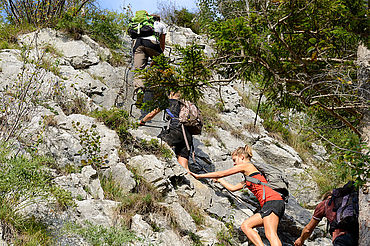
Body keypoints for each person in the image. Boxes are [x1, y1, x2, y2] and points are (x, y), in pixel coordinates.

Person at [190, 145, 285, 246]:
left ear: (242, 157)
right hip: (272, 203)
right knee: (246, 226)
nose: (234, 163)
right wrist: (220, 181)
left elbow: (222, 173)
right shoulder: (250, 175)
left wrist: (199, 175)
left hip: (272, 202)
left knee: (270, 234)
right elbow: (233, 188)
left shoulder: (247, 166)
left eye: (235, 160)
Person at [138, 92, 193, 171]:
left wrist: (142, 121)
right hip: (187, 134)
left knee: (155, 145)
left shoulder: (167, 102)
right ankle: (191, 181)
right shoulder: (185, 104)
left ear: (171, 93)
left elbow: (151, 114)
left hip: (175, 130)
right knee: (184, 166)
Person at [132, 13, 167, 116]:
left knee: (139, 70)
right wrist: (156, 60)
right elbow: (162, 44)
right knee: (162, 65)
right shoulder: (161, 25)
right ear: (159, 20)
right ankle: (158, 89)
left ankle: (139, 89)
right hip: (152, 44)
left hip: (138, 45)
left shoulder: (142, 24)